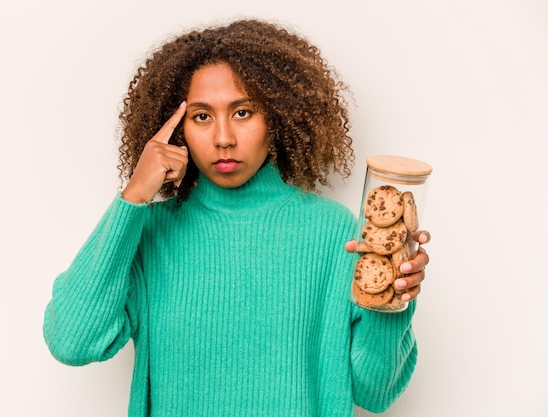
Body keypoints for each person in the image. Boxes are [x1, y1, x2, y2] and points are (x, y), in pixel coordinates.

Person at [43, 18, 430, 417]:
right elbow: (72, 340)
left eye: (243, 112)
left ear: (277, 118)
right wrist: (133, 196)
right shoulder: (148, 232)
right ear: (177, 129)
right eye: (202, 116)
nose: (224, 137)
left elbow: (376, 391)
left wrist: (394, 298)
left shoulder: (337, 234)